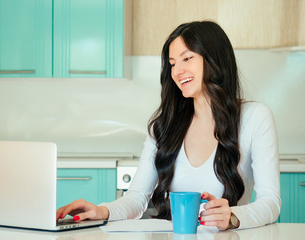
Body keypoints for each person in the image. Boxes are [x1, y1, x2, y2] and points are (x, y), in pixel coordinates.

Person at [56, 21, 281, 230]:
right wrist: (102, 210)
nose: (177, 71)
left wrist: (233, 216)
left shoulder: (255, 117)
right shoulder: (164, 126)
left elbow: (271, 202)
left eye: (187, 58)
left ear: (214, 60)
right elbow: (137, 198)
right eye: (172, 63)